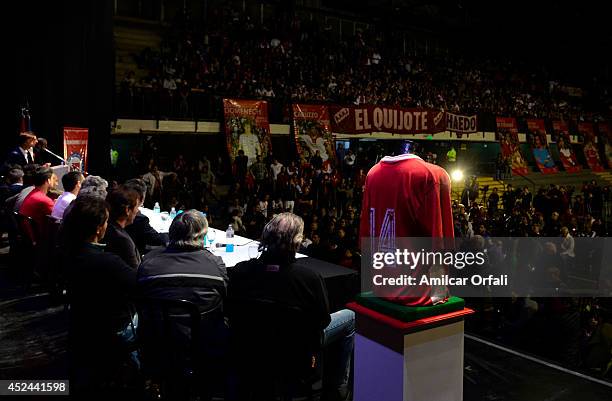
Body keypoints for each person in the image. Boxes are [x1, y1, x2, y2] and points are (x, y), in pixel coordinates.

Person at [228, 213, 355, 400]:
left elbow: (231, 310)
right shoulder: (309, 278)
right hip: (296, 351)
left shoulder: (240, 270)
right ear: (297, 242)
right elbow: (322, 320)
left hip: (250, 347)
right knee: (350, 317)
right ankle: (336, 389)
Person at [137, 210, 228, 385]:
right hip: (203, 342)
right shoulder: (216, 264)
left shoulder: (148, 263)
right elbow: (223, 296)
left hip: (157, 342)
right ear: (202, 235)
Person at [62, 196, 137, 397]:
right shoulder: (108, 262)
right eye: (105, 221)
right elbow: (140, 289)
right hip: (112, 328)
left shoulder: (68, 253)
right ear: (98, 228)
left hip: (80, 324)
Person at [123, 178, 168, 254]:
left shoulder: (112, 208)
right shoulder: (139, 218)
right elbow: (155, 239)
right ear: (141, 198)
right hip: (133, 255)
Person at [103, 186, 141, 269]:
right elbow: (135, 274)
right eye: (137, 207)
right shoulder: (123, 240)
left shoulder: (105, 227)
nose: (137, 211)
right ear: (127, 210)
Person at [19, 166, 58, 240]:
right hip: (40, 240)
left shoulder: (33, 193)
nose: (56, 182)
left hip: (29, 238)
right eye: (53, 178)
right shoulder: (43, 200)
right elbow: (58, 217)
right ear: (48, 181)